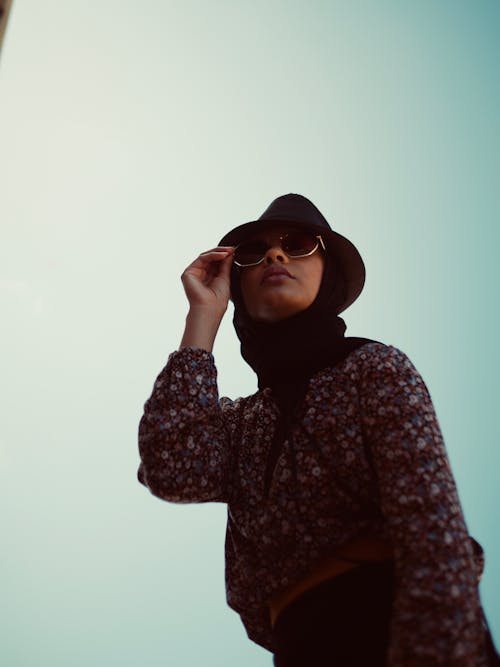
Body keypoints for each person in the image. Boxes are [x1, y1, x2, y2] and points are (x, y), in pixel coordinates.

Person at [137, 194, 495, 666]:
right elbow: (172, 468)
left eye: (297, 243)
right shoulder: (241, 423)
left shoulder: (373, 367)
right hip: (299, 649)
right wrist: (202, 316)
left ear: (328, 272)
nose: (275, 255)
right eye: (253, 253)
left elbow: (432, 535)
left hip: (399, 634)